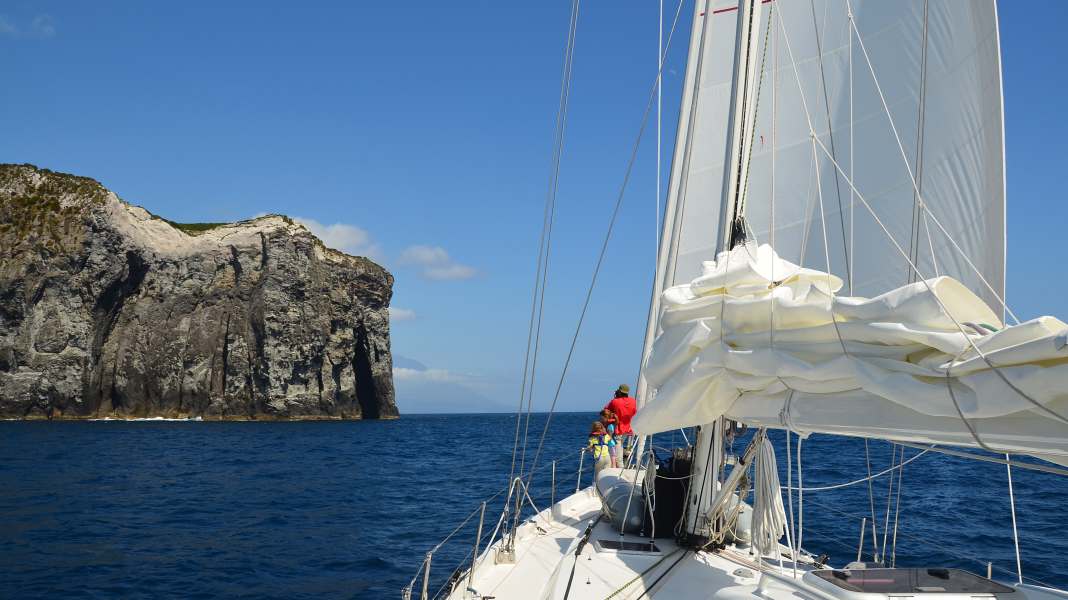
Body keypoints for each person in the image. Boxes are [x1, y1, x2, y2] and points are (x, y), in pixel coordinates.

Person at [604, 384, 636, 461]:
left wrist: (615, 397)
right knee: (620, 445)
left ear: (619, 392)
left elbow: (605, 411)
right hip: (628, 429)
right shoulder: (633, 401)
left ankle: (619, 467)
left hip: (618, 430)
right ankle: (624, 454)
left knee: (617, 454)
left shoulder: (615, 401)